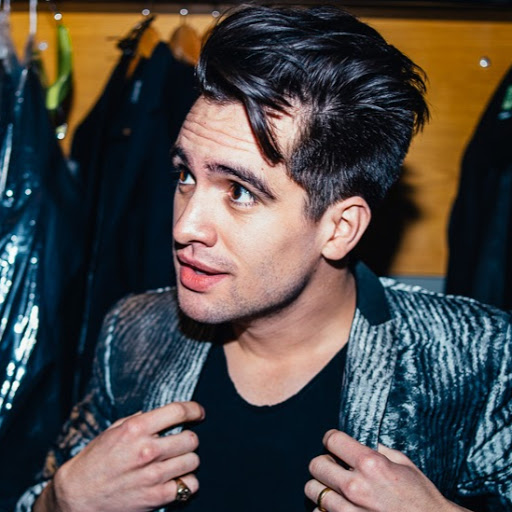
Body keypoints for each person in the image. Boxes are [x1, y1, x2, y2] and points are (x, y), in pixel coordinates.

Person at [17, 5, 512, 512]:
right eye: (185, 175)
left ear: (339, 228)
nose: (185, 226)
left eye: (240, 191)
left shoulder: (482, 357)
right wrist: (59, 500)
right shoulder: (133, 333)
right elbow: (46, 490)